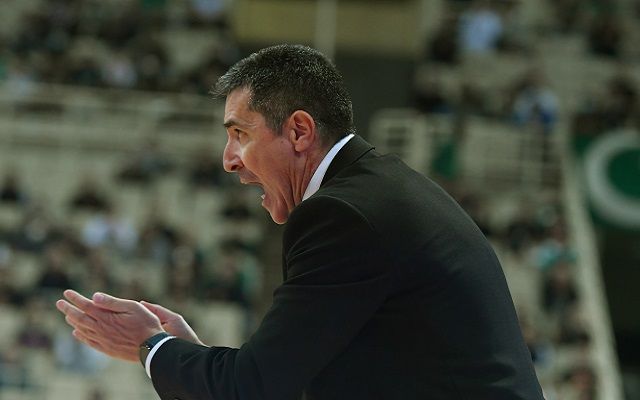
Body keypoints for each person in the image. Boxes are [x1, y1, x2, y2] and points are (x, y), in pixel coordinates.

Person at [56, 44, 544, 399]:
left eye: (240, 134)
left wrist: (150, 347)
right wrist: (190, 353)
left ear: (299, 131)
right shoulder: (381, 190)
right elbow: (280, 379)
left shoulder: (342, 215)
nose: (228, 159)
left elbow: (251, 388)